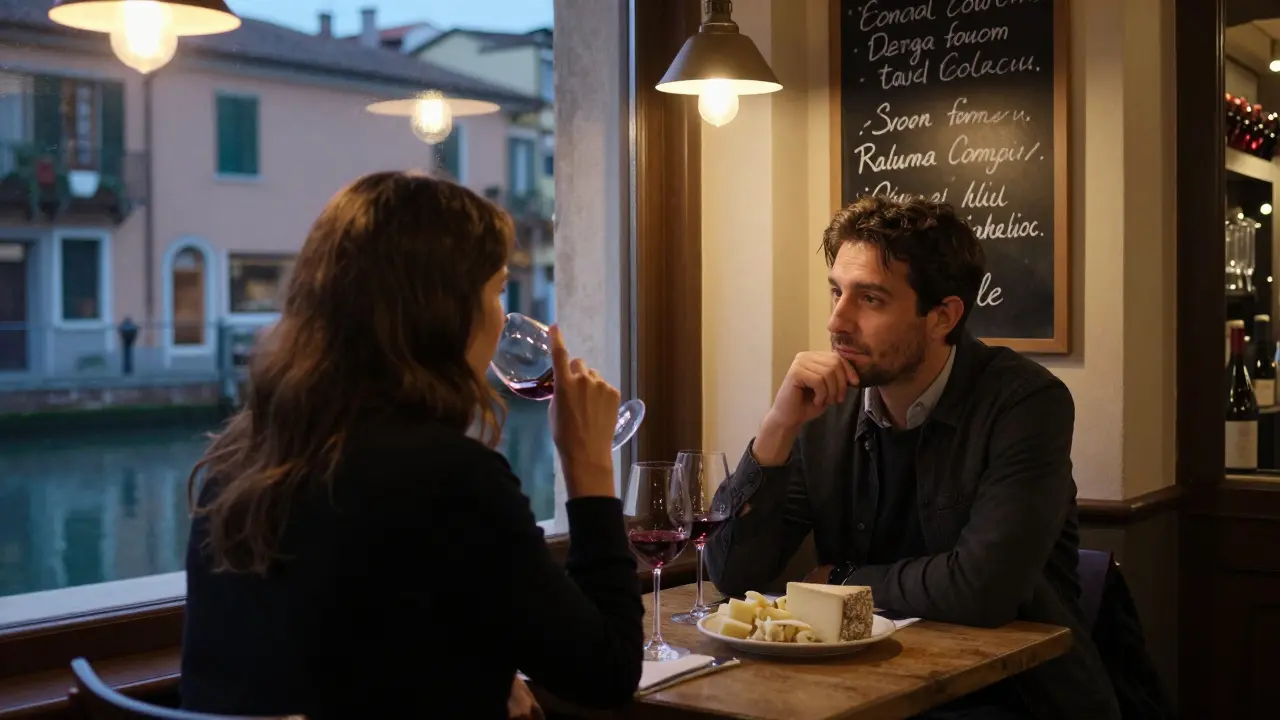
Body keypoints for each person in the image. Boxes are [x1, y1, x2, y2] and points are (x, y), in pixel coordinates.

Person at [180, 172, 643, 718]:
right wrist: (588, 469)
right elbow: (607, 672)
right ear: (443, 313)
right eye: (497, 291)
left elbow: (348, 649)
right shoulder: (455, 480)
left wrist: (481, 671)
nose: (505, 318)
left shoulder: (238, 465)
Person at [703, 196, 1121, 720]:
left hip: (1013, 696)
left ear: (942, 316)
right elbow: (729, 570)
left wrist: (838, 579)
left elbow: (983, 588)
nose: (837, 320)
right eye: (836, 291)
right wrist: (777, 428)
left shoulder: (1025, 402)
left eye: (870, 299)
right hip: (863, 687)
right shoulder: (825, 407)